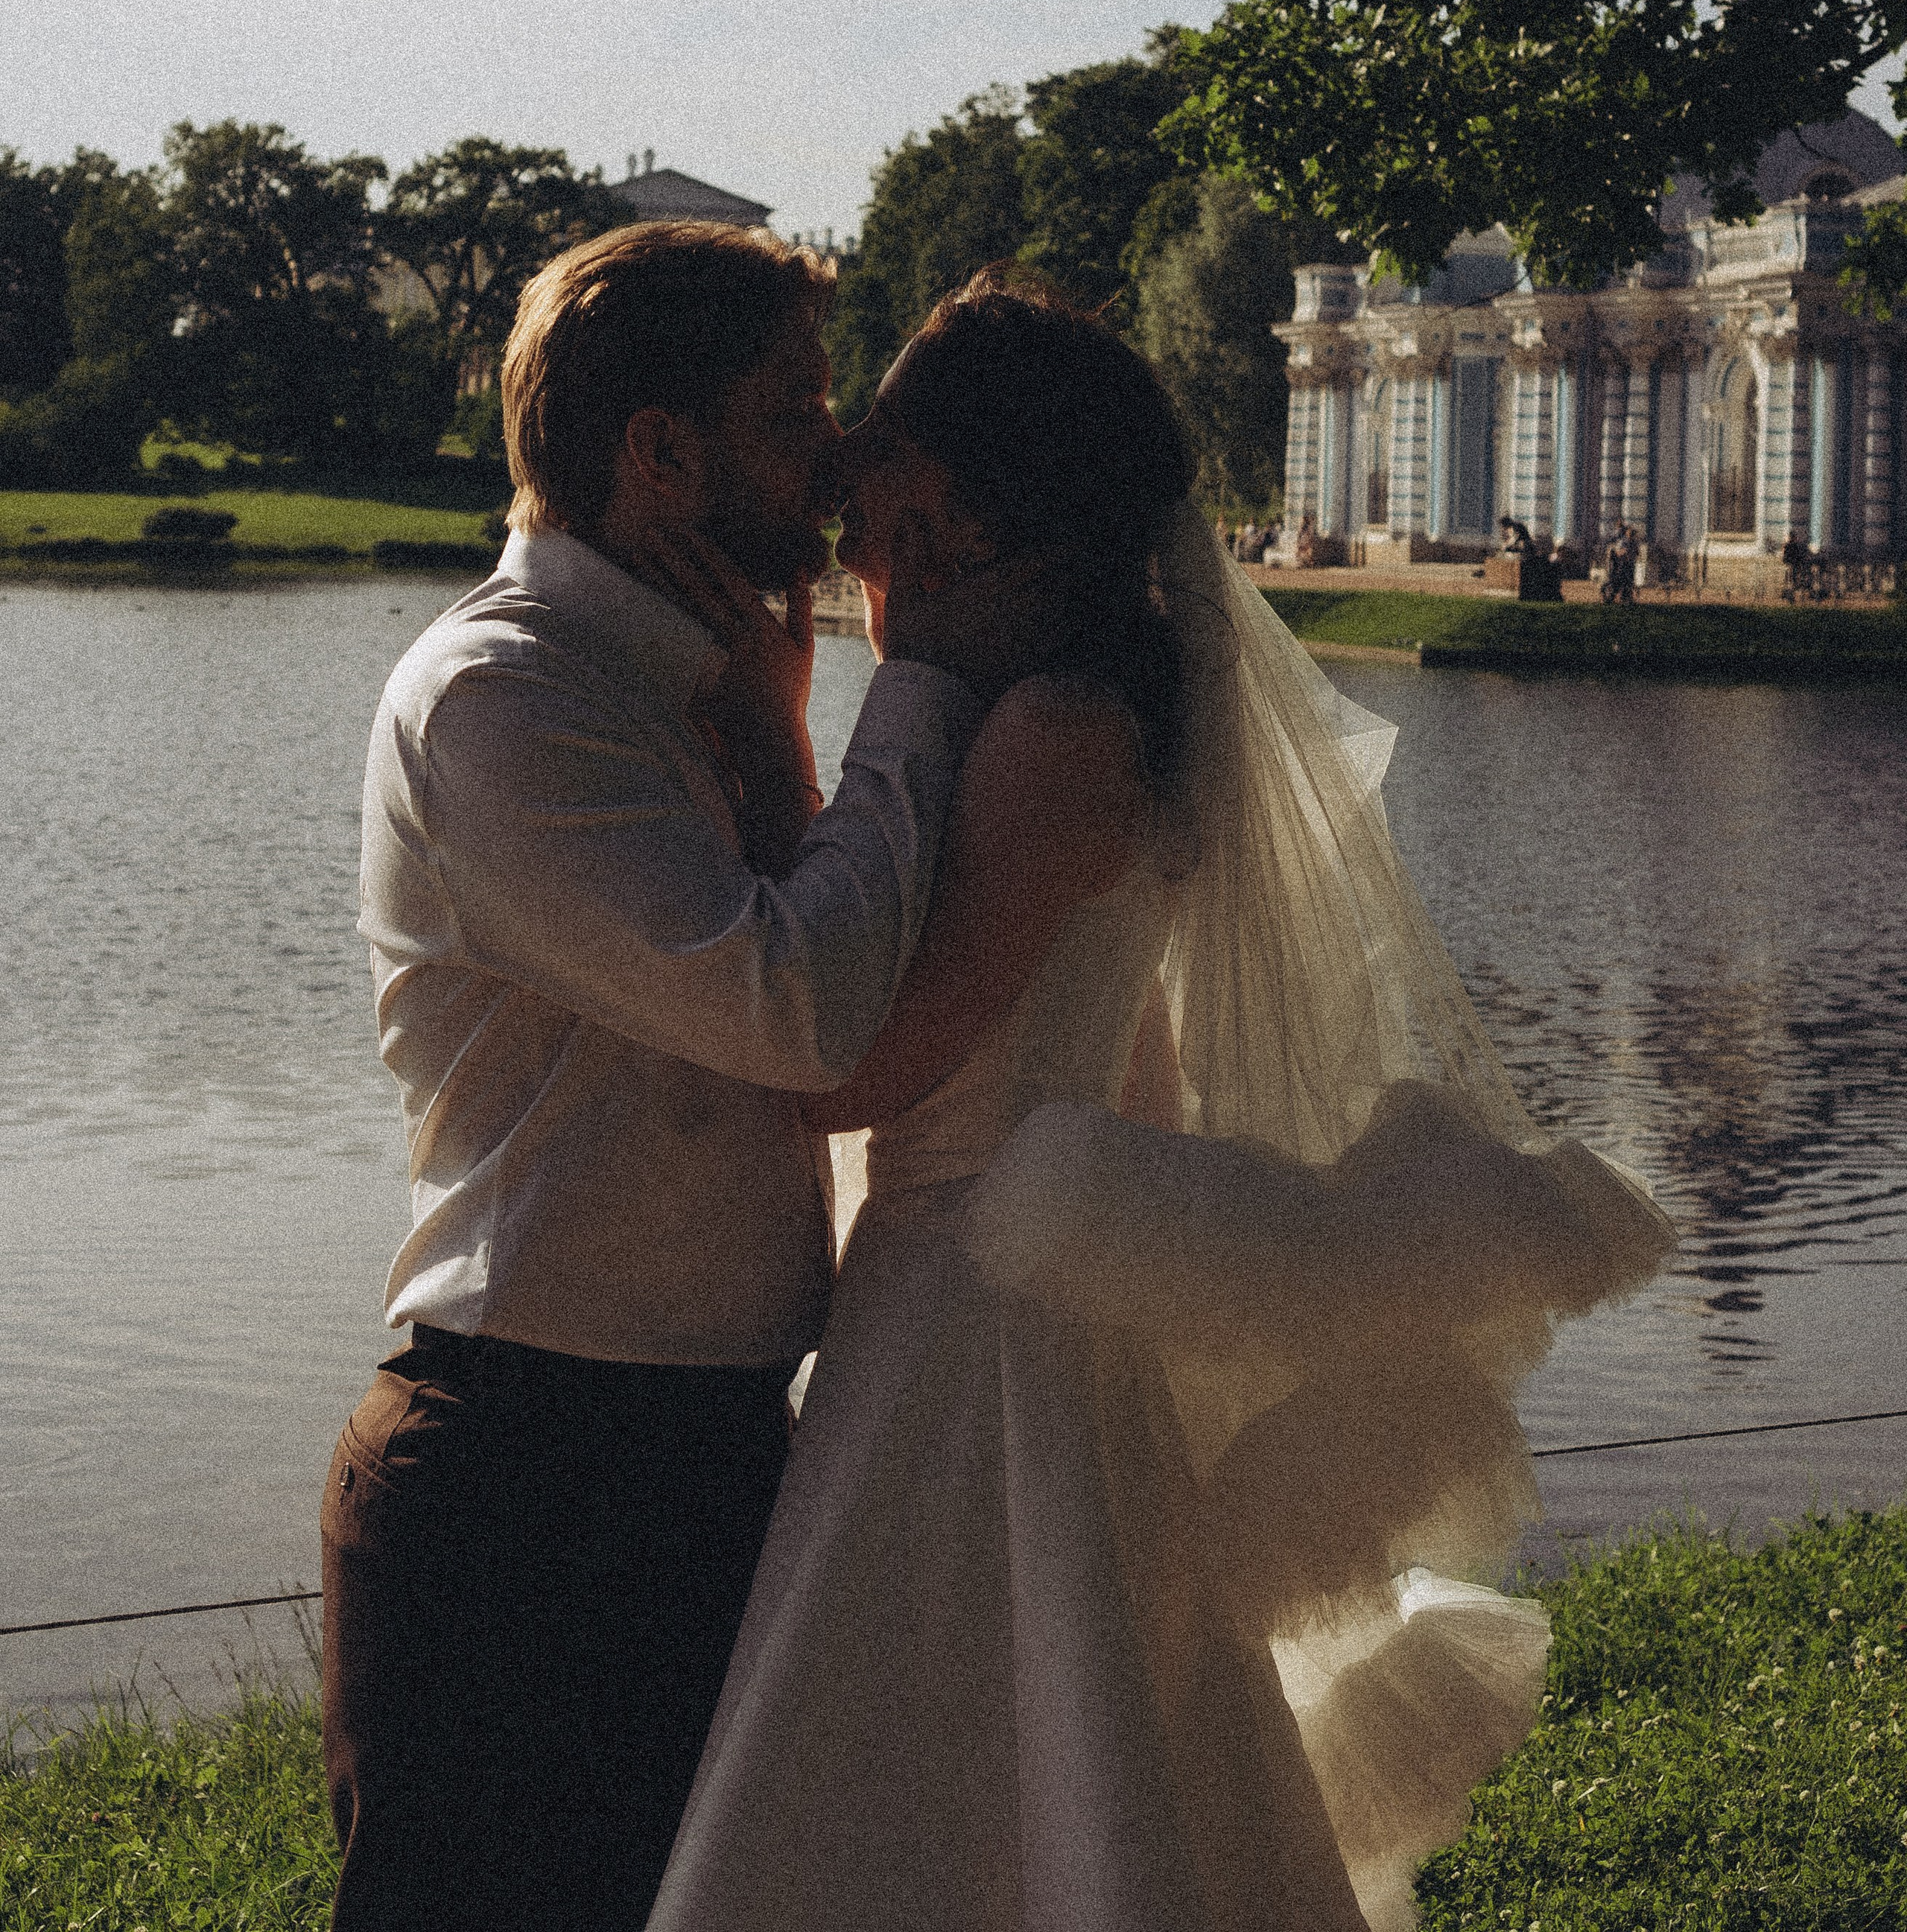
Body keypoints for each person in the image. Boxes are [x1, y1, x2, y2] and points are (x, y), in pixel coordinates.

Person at [647, 273, 1675, 1932]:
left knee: (979, 1725)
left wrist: (787, 760)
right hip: (999, 1280)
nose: (860, 566)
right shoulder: (1076, 710)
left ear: (964, 518)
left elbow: (852, 1070)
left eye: (886, 517)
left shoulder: (1048, 735)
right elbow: (1138, 1072)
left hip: (977, 1312)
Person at [320, 221, 1047, 1932]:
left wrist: (781, 721)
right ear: (661, 452)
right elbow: (794, 1010)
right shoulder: (503, 698)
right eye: (794, 415)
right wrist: (919, 694)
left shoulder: (691, 690)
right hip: (527, 1488)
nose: (837, 460)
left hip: (693, 1456)